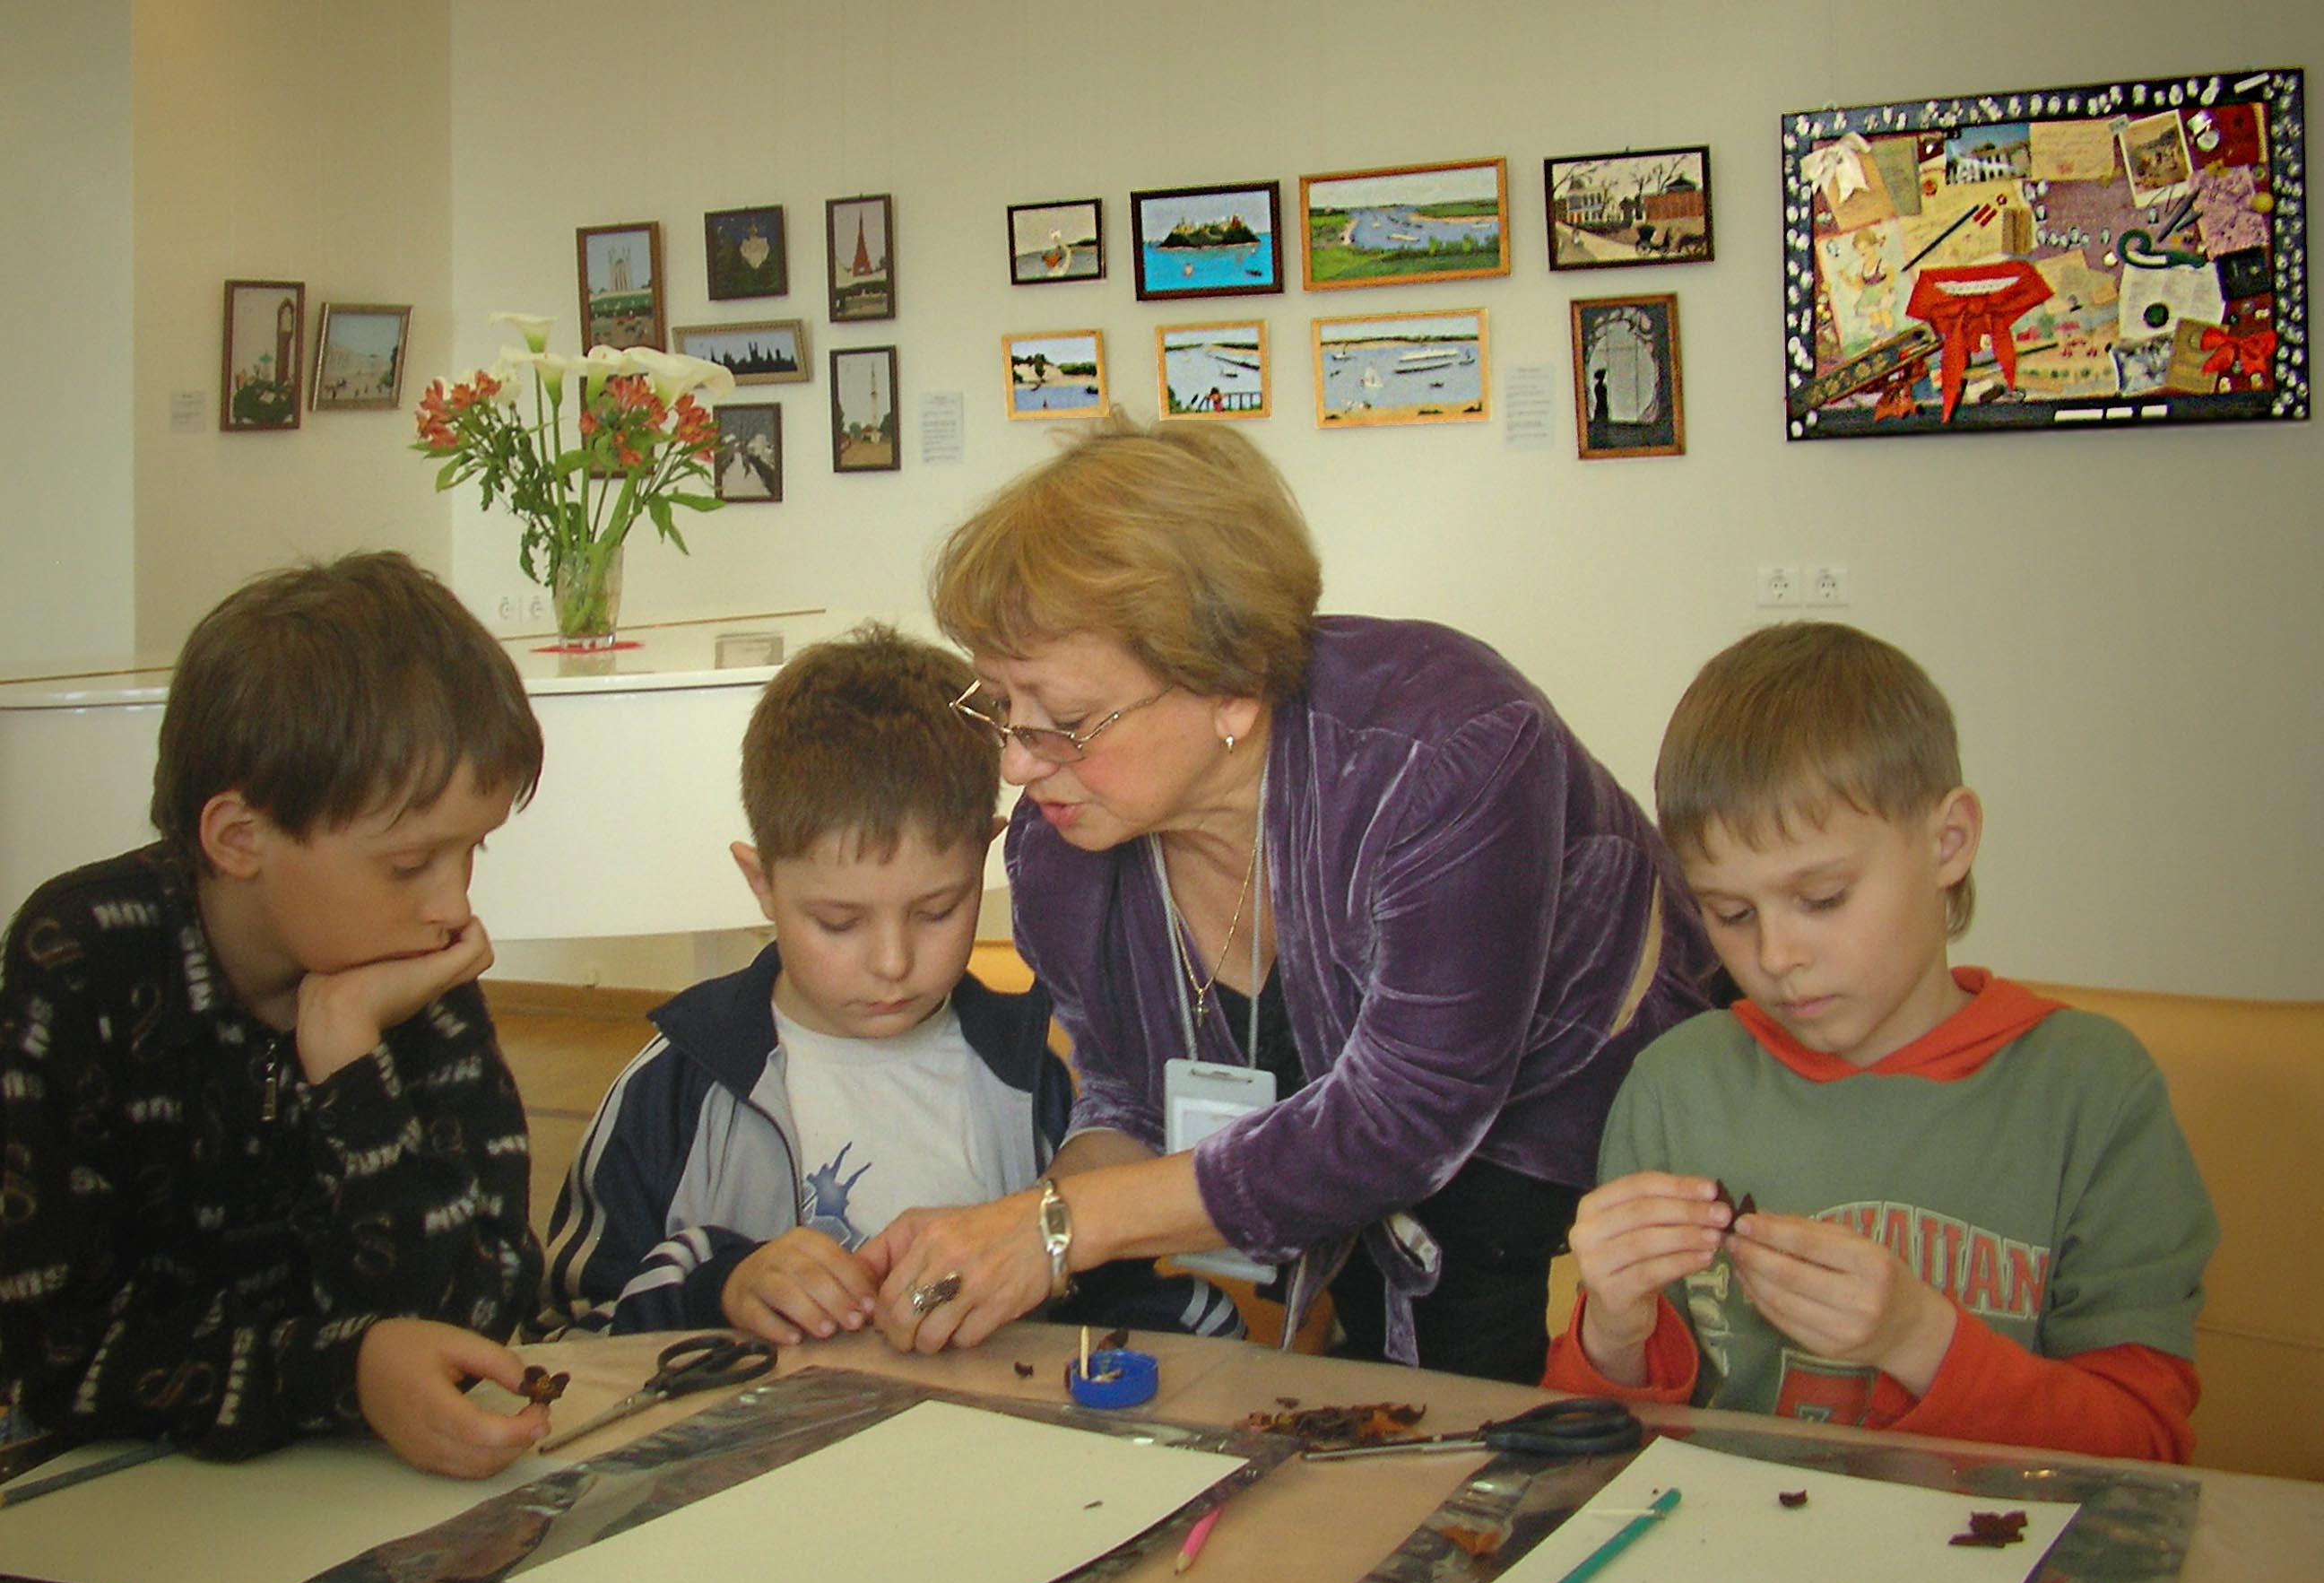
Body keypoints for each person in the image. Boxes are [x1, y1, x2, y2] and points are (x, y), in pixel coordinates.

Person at [860, 412, 1718, 1383]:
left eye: (1063, 720)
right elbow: (1129, 1098)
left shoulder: (1448, 756)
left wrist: (1059, 1229)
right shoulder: (1060, 855)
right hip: (1361, 1168)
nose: (1017, 761)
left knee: (1497, 1403)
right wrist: (1012, 1245)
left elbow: (1402, 1121)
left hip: (1584, 1118)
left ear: (1234, 688)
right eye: (998, 704)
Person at [1545, 622, 2218, 1461]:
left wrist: (1919, 1338)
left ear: (1948, 843)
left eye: (1822, 897)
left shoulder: (2090, 1091)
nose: (1778, 956)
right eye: (1731, 914)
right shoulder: (1675, 1086)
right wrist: (1612, 1328)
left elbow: (2144, 1451)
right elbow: (1590, 1451)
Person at [0, 552, 551, 1477]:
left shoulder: (413, 979)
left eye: (473, 851)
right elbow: (50, 1354)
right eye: (411, 865)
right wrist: (345, 1369)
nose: (456, 907)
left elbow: (483, 1309)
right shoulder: (81, 958)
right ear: (239, 838)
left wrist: (348, 1061)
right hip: (110, 1501)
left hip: (342, 1492)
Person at [540, 623, 1238, 1345]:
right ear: (761, 884)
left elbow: (1101, 1298)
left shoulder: (1032, 1079)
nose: (893, 962)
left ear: (987, 857)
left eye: (937, 911)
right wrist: (722, 1287)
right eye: (839, 922)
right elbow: (568, 1339)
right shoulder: (675, 1088)